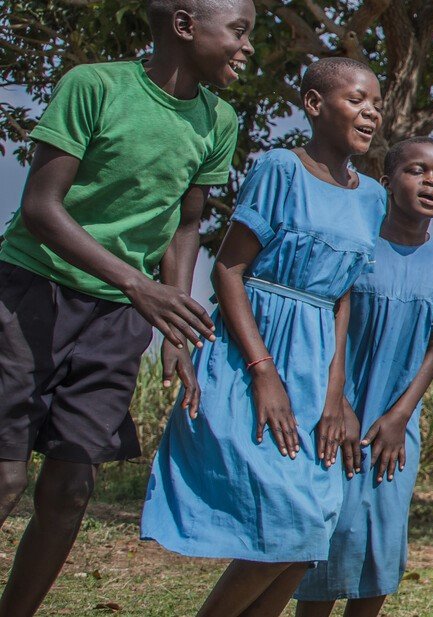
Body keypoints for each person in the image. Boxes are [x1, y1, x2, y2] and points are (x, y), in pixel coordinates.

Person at [0, 1, 250, 613]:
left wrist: (175, 322)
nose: (247, 48)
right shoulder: (95, 86)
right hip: (31, 292)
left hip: (116, 320)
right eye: (239, 32)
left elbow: (186, 224)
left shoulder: (219, 120)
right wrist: (140, 287)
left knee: (71, 487)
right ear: (186, 25)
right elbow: (40, 207)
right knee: (5, 478)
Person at [142, 57, 386, 614]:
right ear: (314, 104)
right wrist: (263, 373)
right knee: (286, 521)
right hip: (257, 352)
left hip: (317, 361)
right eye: (356, 100)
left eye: (375, 103)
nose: (370, 112)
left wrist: (335, 393)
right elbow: (229, 270)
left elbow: (342, 293)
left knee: (308, 536)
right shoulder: (280, 168)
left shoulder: (371, 196)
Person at [293, 137, 433, 617]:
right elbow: (326, 321)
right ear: (387, 182)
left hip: (396, 423)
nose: (431, 181)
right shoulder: (355, 242)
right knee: (329, 528)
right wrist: (340, 404)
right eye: (417, 171)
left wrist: (400, 415)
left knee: (383, 532)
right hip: (333, 410)